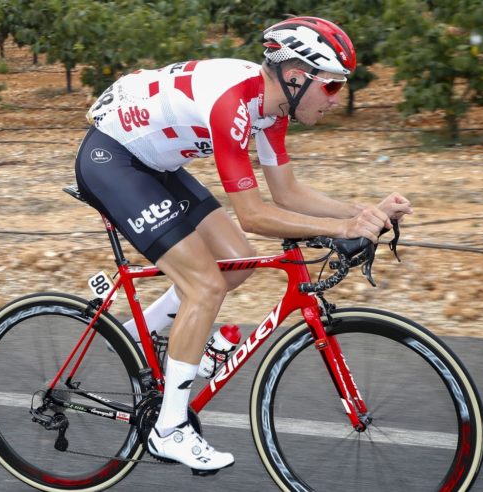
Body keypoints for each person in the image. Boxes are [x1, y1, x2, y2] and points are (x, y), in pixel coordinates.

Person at [75, 17, 412, 472]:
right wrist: (343, 228)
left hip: (157, 163)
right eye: (331, 86)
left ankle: (139, 337)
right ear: (295, 77)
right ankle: (168, 430)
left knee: (237, 262)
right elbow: (253, 215)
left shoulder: (271, 109)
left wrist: (362, 214)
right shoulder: (234, 102)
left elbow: (288, 194)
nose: (337, 98)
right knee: (205, 286)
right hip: (112, 159)